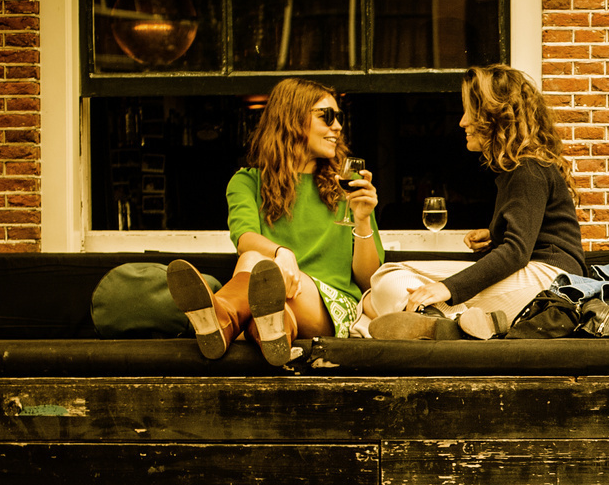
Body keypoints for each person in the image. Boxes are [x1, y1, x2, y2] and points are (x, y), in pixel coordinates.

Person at [359, 65, 585, 340]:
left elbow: (516, 252)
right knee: (382, 285)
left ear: (496, 116)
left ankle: (440, 321)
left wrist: (448, 288)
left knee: (386, 280)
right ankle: (454, 324)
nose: (462, 122)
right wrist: (495, 235)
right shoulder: (521, 167)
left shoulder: (528, 168)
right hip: (538, 278)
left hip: (548, 282)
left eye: (470, 112)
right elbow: (531, 235)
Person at [168, 77, 383, 367]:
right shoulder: (247, 181)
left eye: (339, 117)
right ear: (292, 119)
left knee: (259, 267)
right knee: (259, 270)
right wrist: (283, 254)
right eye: (327, 116)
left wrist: (362, 219)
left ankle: (222, 318)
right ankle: (272, 331)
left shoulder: (349, 185)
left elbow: (368, 279)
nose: (338, 127)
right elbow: (243, 237)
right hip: (267, 296)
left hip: (330, 307)